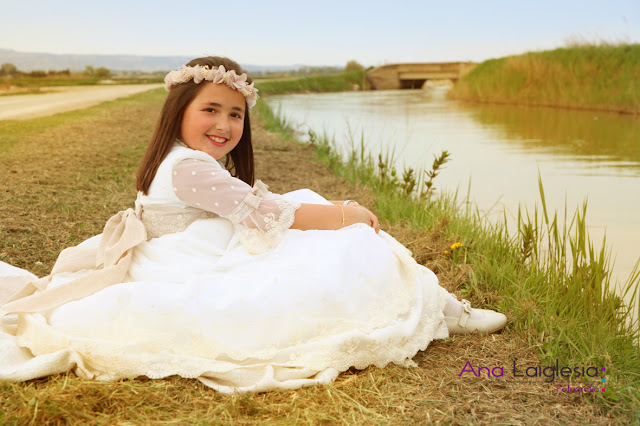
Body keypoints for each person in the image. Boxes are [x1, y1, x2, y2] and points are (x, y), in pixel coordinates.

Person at [0, 56, 506, 393]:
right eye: (211, 110)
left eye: (236, 115)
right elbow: (270, 214)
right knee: (350, 239)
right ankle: (442, 310)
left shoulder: (176, 158)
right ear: (179, 110)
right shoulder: (190, 167)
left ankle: (440, 305)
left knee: (311, 208)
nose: (224, 125)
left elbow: (258, 205)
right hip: (192, 263)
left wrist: (324, 207)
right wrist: (346, 211)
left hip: (187, 250)